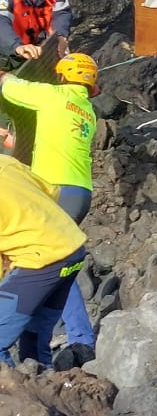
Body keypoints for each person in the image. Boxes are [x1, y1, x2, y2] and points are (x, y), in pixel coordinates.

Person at [0, 52, 99, 365]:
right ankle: (50, 348)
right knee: (56, 257)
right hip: (79, 189)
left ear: (60, 76)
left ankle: (81, 338)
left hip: (56, 187)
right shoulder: (86, 110)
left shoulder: (53, 96)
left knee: (47, 256)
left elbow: (10, 87)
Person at [0, 155, 88, 369]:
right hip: (72, 248)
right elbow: (53, 193)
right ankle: (43, 388)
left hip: (42, 258)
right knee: (35, 338)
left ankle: (13, 399)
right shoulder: (5, 162)